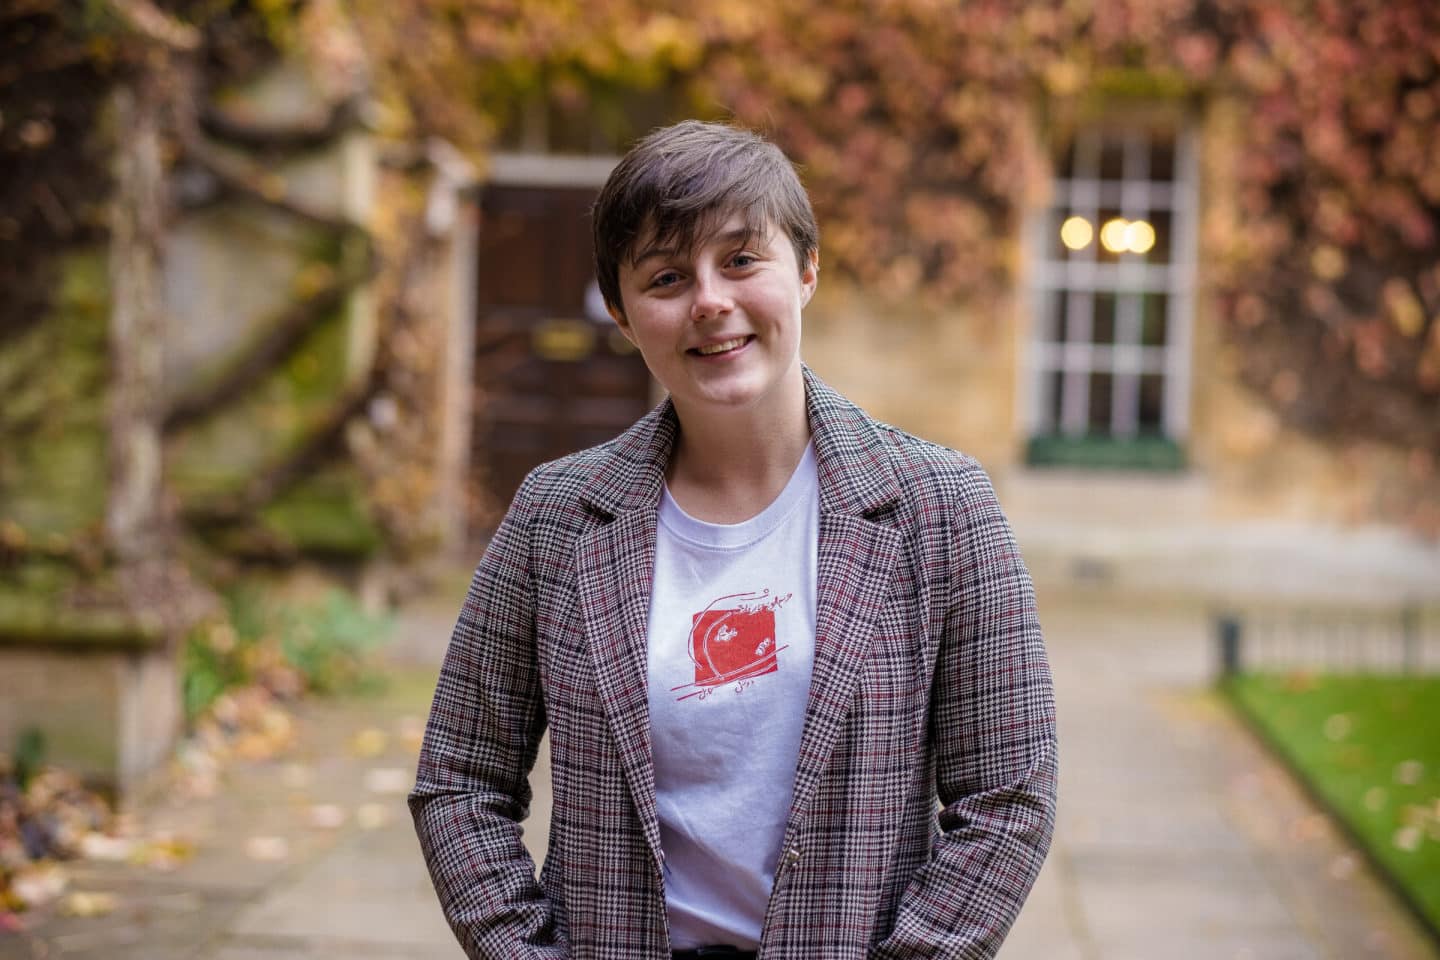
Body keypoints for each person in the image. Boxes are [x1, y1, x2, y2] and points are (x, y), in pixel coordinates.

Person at [410, 120, 1057, 960]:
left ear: (807, 269)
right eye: (668, 277)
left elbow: (1010, 798)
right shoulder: (556, 517)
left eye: (742, 260)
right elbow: (460, 778)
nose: (710, 301)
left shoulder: (942, 509)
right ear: (622, 312)